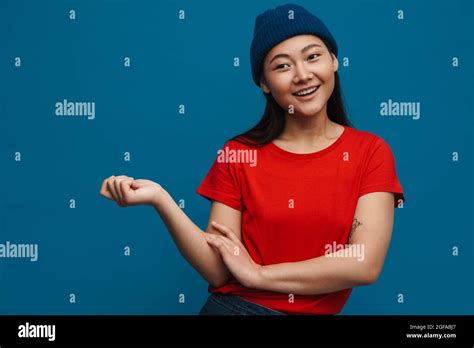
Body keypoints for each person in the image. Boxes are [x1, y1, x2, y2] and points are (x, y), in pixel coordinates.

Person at [99, 3, 405, 315]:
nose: (302, 75)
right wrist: (161, 199)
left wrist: (259, 274)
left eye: (313, 56)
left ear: (334, 61)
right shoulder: (239, 154)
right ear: (264, 83)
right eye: (282, 66)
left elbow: (364, 263)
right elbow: (219, 269)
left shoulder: (370, 152)